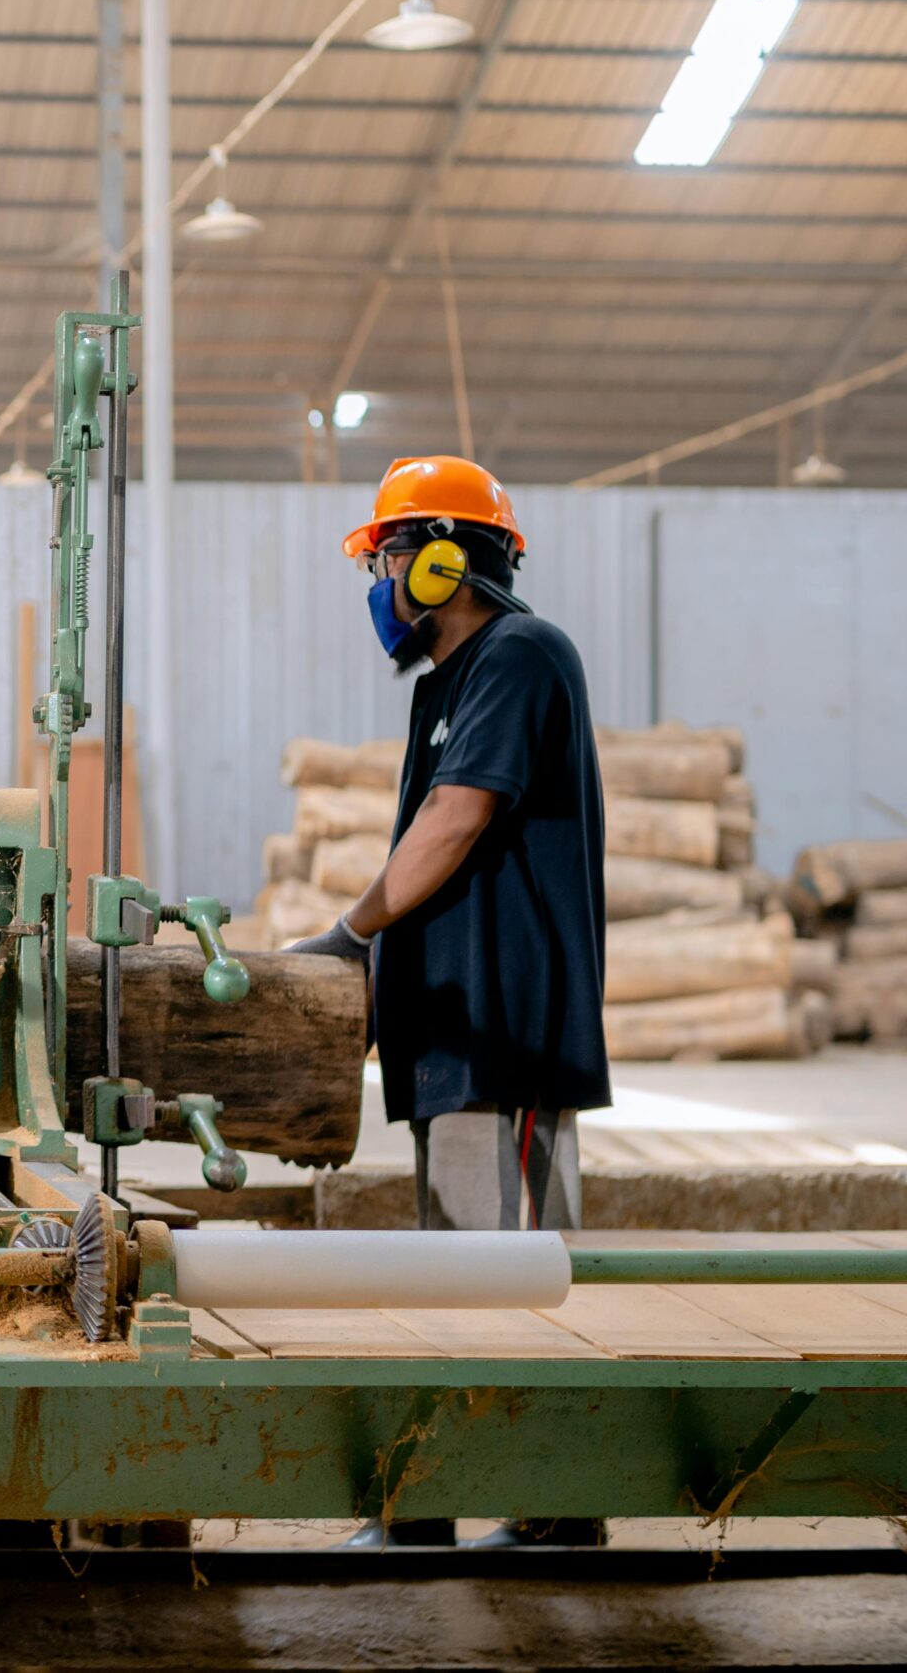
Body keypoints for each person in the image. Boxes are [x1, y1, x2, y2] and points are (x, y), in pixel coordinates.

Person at [289, 456, 610, 1551]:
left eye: (384, 556)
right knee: (457, 1266)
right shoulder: (448, 685)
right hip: (453, 1032)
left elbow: (459, 818)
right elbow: (435, 853)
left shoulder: (520, 655)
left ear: (442, 557)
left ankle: (539, 1506)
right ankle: (455, 1508)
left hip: (506, 1031)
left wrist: (349, 931)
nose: (376, 582)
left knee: (508, 1273)